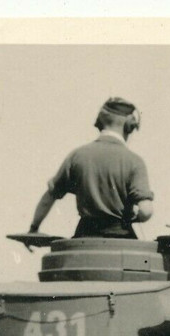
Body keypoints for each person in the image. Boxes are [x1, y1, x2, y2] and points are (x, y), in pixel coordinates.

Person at [29, 97, 154, 239]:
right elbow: (146, 211)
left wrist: (34, 228)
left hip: (84, 238)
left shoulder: (77, 155)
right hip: (120, 239)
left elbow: (49, 197)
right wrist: (133, 217)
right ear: (128, 126)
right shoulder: (134, 161)